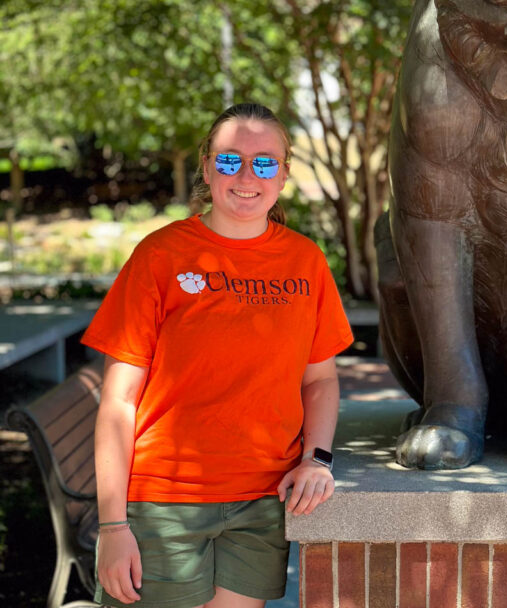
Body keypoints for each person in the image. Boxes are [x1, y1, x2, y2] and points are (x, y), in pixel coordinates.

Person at [82, 102, 353, 608]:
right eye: (230, 160)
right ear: (207, 168)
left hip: (260, 503)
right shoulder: (160, 255)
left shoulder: (305, 261)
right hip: (163, 501)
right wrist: (113, 525)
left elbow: (319, 381)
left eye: (265, 162)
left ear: (284, 174)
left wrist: (317, 459)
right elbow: (118, 402)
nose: (247, 175)